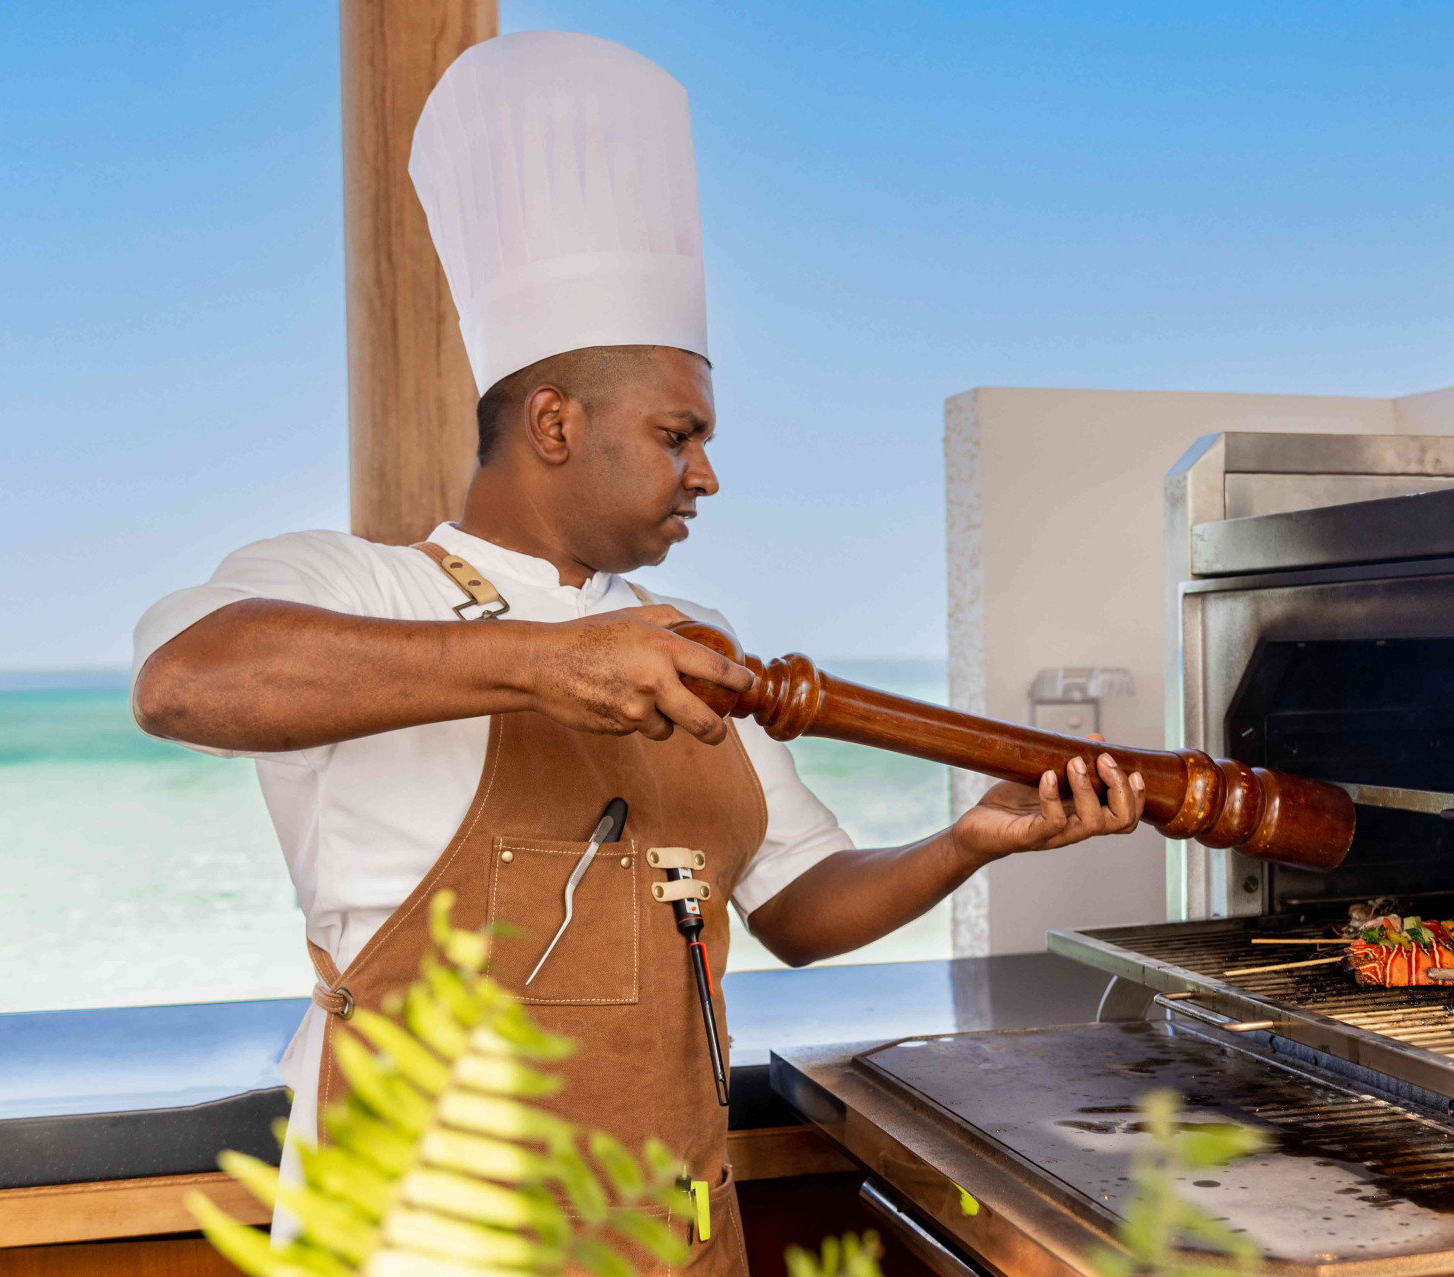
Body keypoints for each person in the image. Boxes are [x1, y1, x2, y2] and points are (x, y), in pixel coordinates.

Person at [128, 30, 1140, 1272]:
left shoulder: (687, 648)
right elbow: (186, 680)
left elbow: (801, 908)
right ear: (553, 422)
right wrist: (550, 663)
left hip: (676, 1237)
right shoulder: (356, 585)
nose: (706, 473)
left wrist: (965, 842)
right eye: (678, 434)